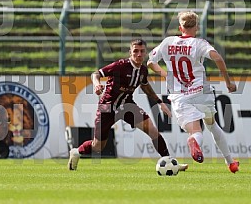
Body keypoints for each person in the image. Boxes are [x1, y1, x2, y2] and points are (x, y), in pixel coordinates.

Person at [68, 39, 188, 171]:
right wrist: (97, 84)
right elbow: (96, 74)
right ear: (130, 52)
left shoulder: (143, 70)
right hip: (107, 107)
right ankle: (76, 152)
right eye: (135, 51)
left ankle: (169, 162)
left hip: (128, 106)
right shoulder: (120, 66)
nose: (139, 54)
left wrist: (159, 102)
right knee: (98, 146)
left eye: (142, 51)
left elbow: (145, 86)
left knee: (153, 131)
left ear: (145, 53)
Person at [147, 11, 239, 173]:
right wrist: (228, 82)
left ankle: (193, 140)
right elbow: (217, 58)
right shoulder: (198, 43)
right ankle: (230, 162)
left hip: (179, 95)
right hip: (201, 93)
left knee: (196, 131)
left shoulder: (168, 42)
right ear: (197, 26)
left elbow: (150, 62)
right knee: (211, 124)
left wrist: (167, 75)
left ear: (180, 27)